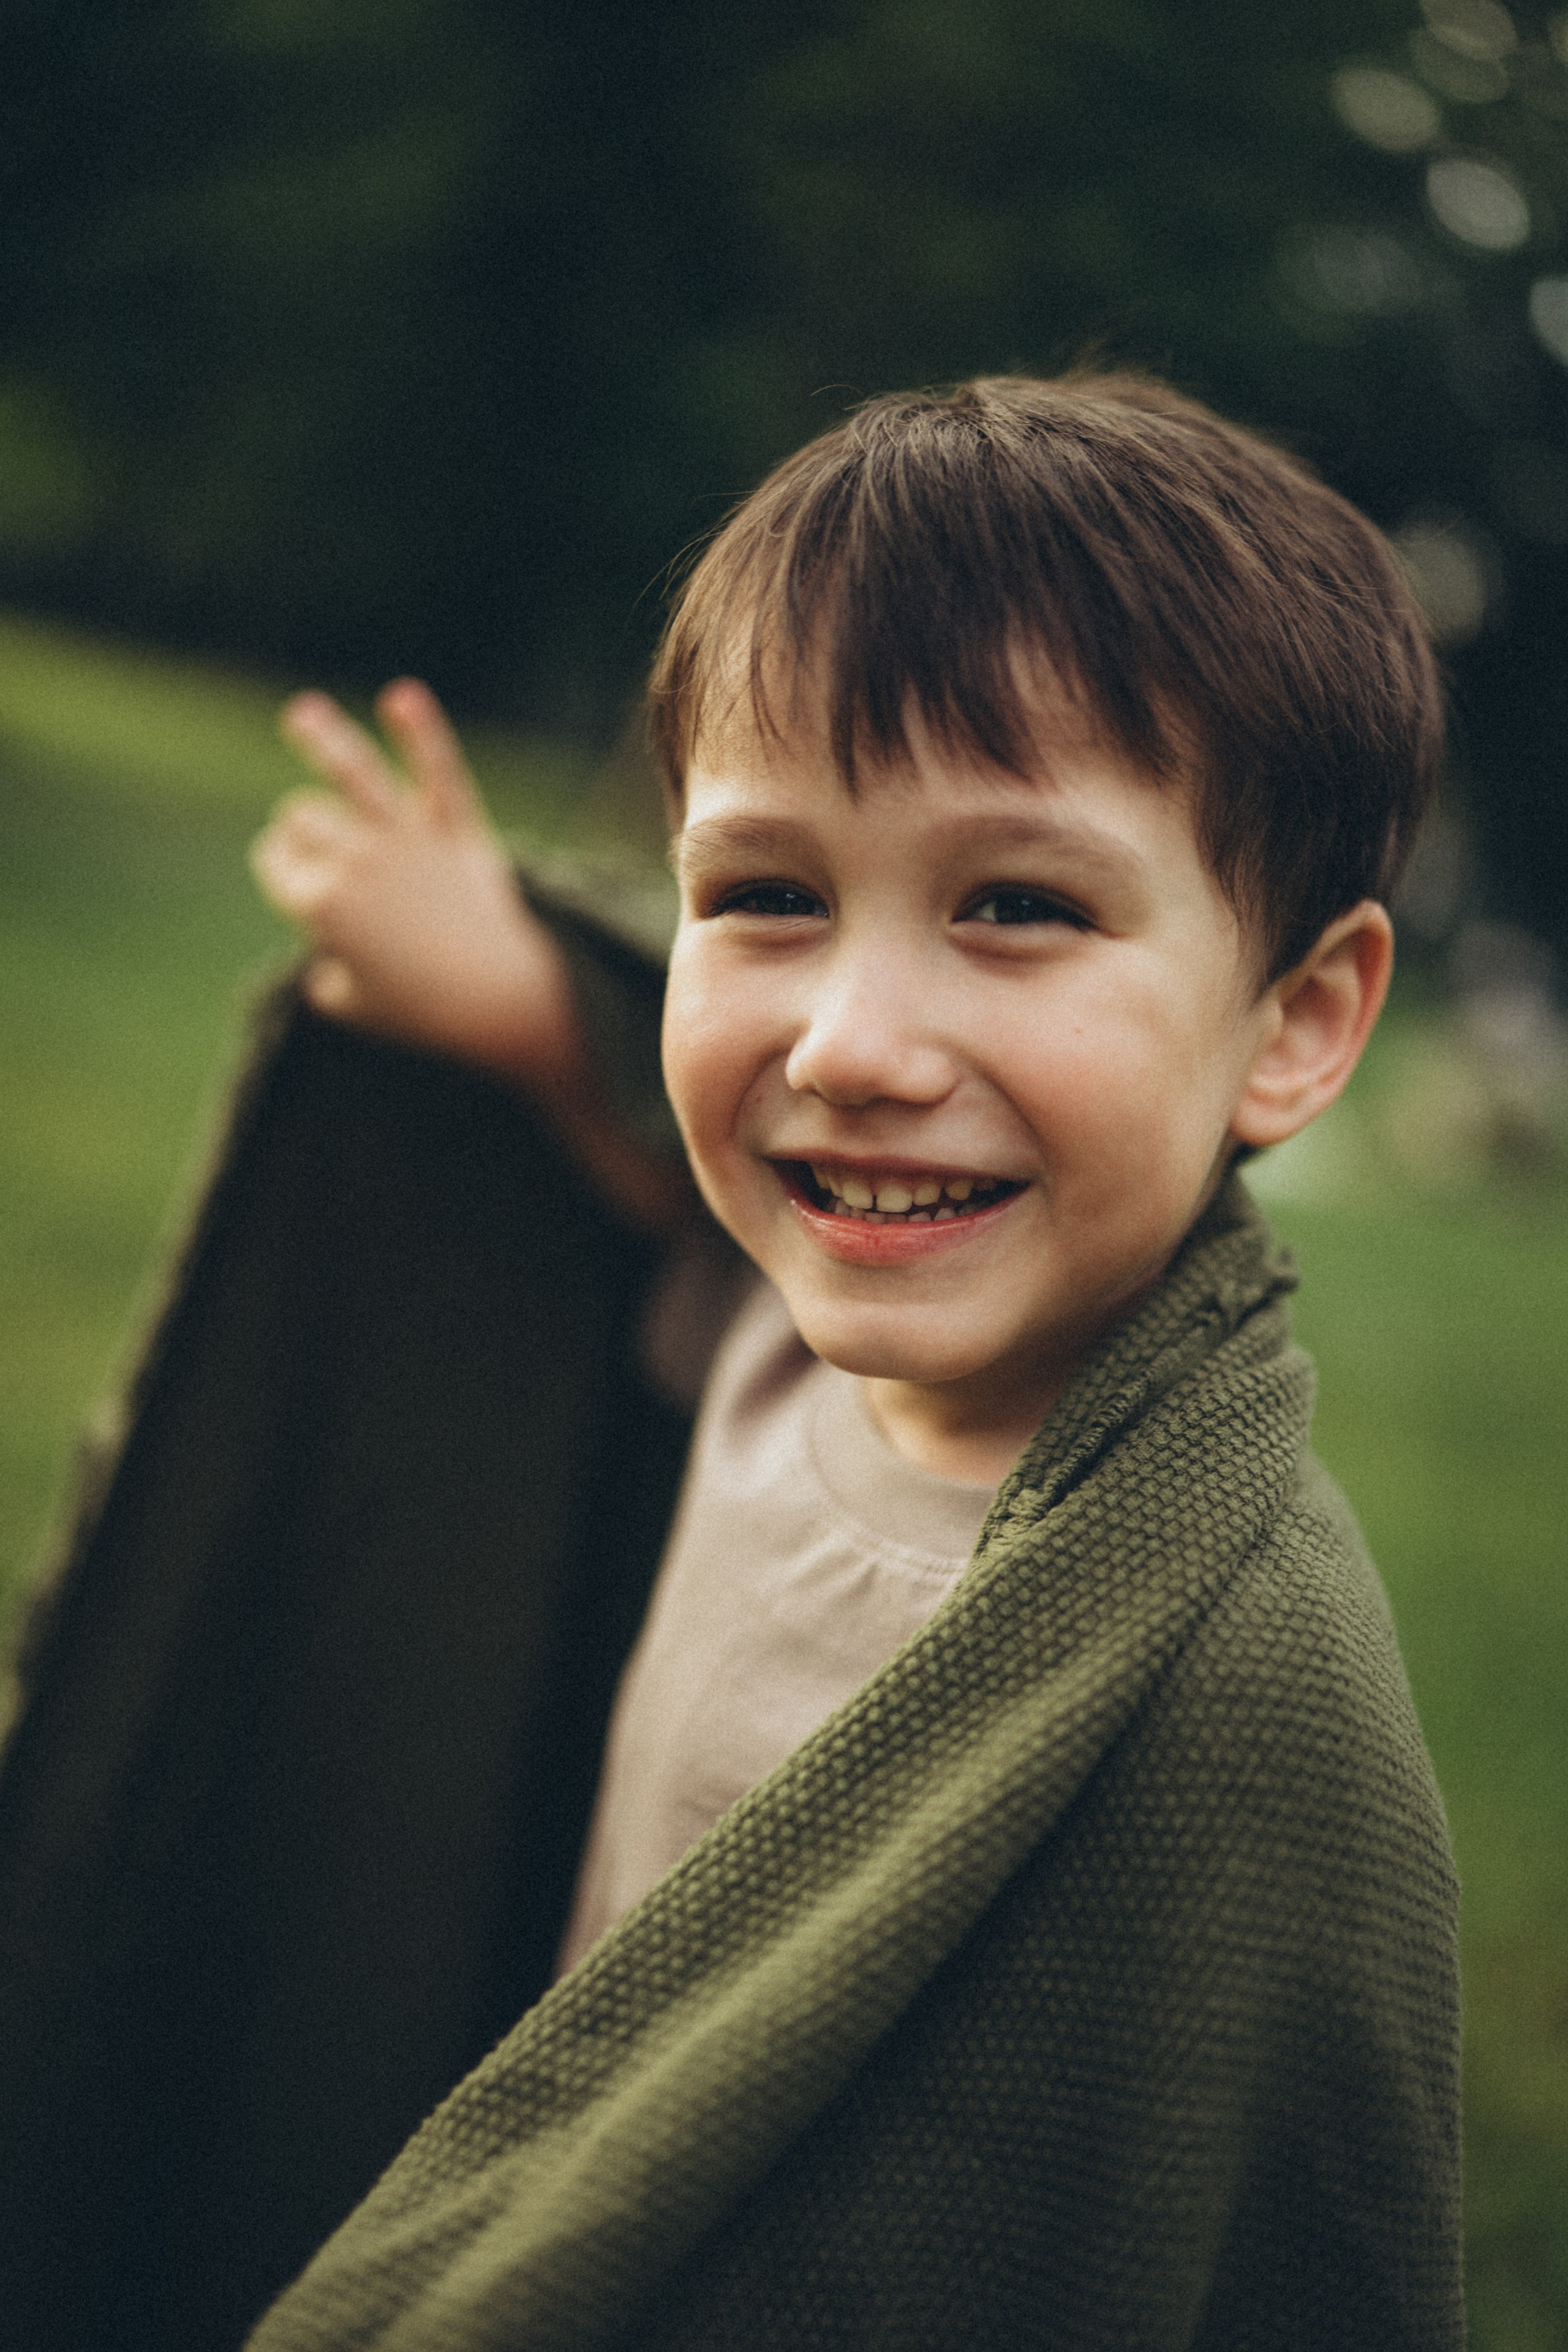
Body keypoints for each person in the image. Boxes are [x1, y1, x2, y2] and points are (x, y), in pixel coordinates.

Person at [1, 375, 1461, 2352]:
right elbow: (657, 1181)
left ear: (1296, 1021)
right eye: (766, 897)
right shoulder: (784, 1343)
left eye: (1018, 908)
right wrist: (526, 999)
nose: (849, 1046)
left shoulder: (1244, 1698)